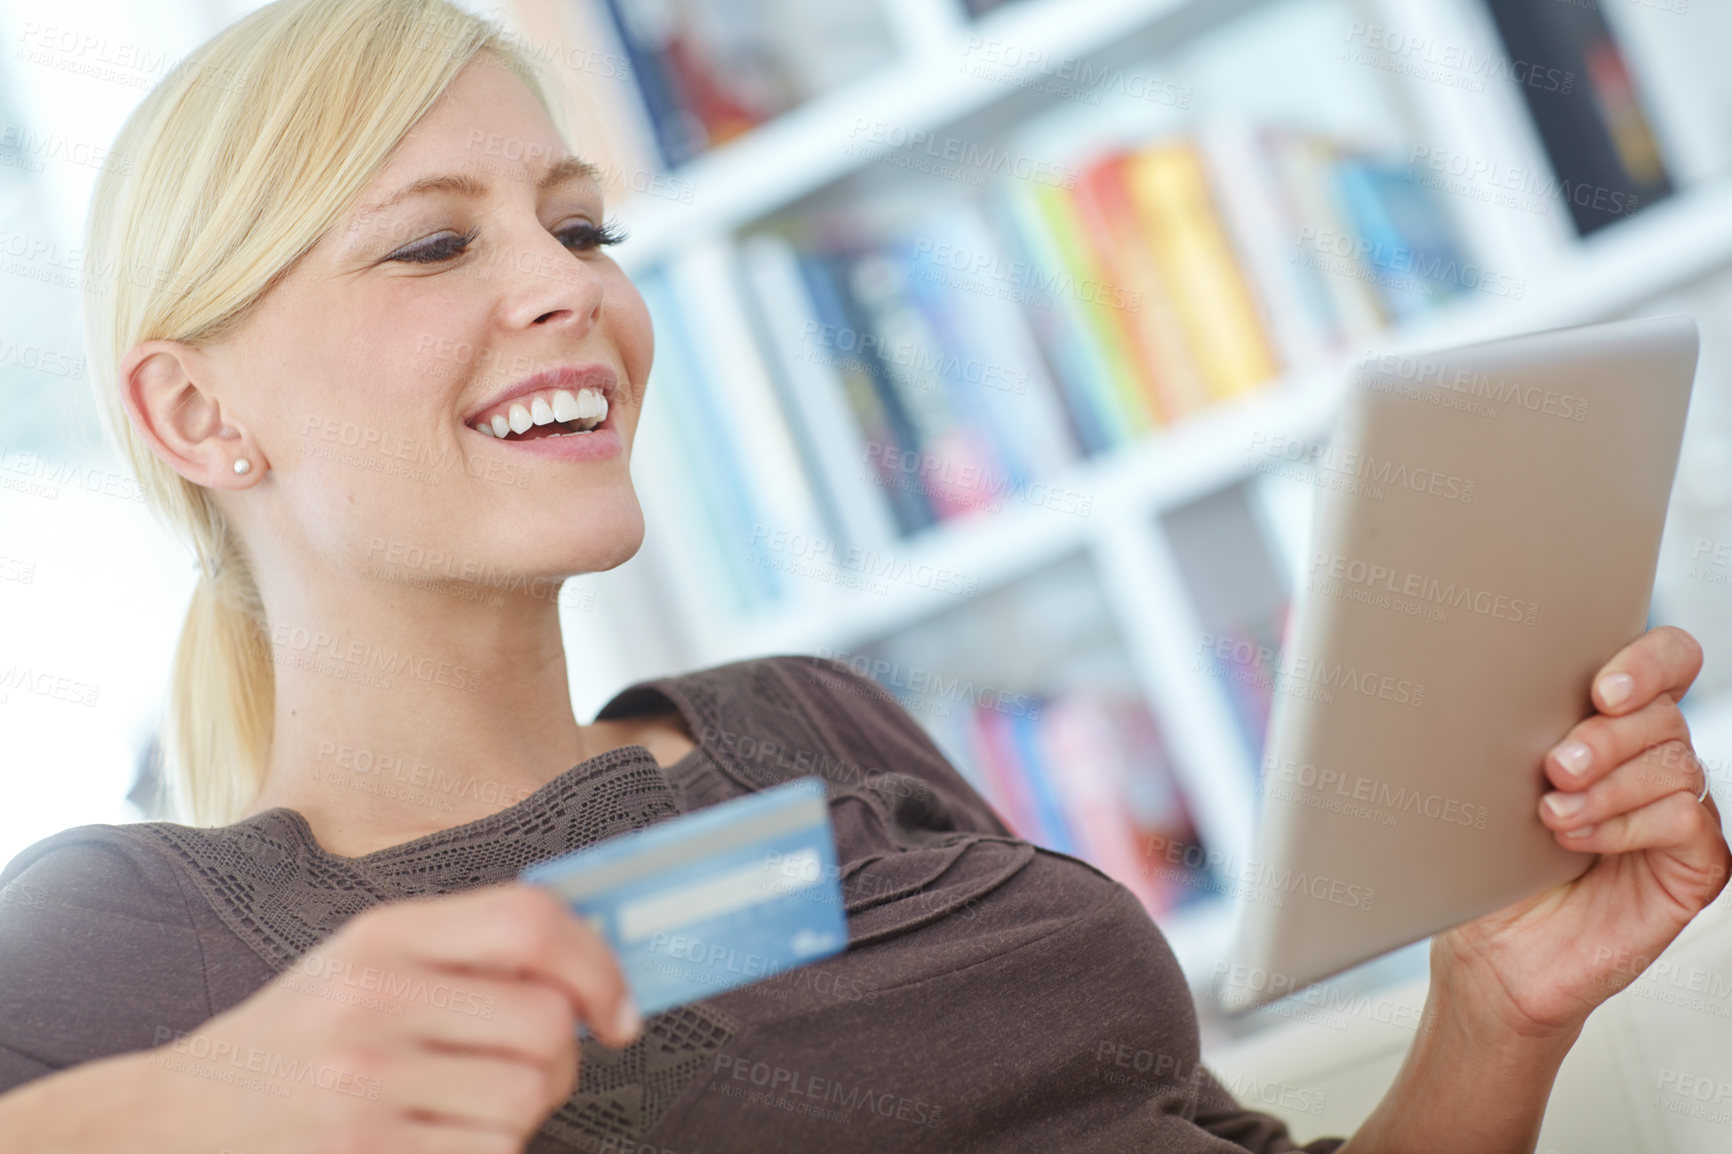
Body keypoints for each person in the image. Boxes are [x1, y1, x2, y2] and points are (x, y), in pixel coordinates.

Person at [0, 1, 1726, 1150]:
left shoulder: (808, 726)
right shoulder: (141, 935)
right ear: (194, 409)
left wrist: (1497, 1007)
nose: (572, 290)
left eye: (583, 227)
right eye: (438, 241)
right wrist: (179, 1105)